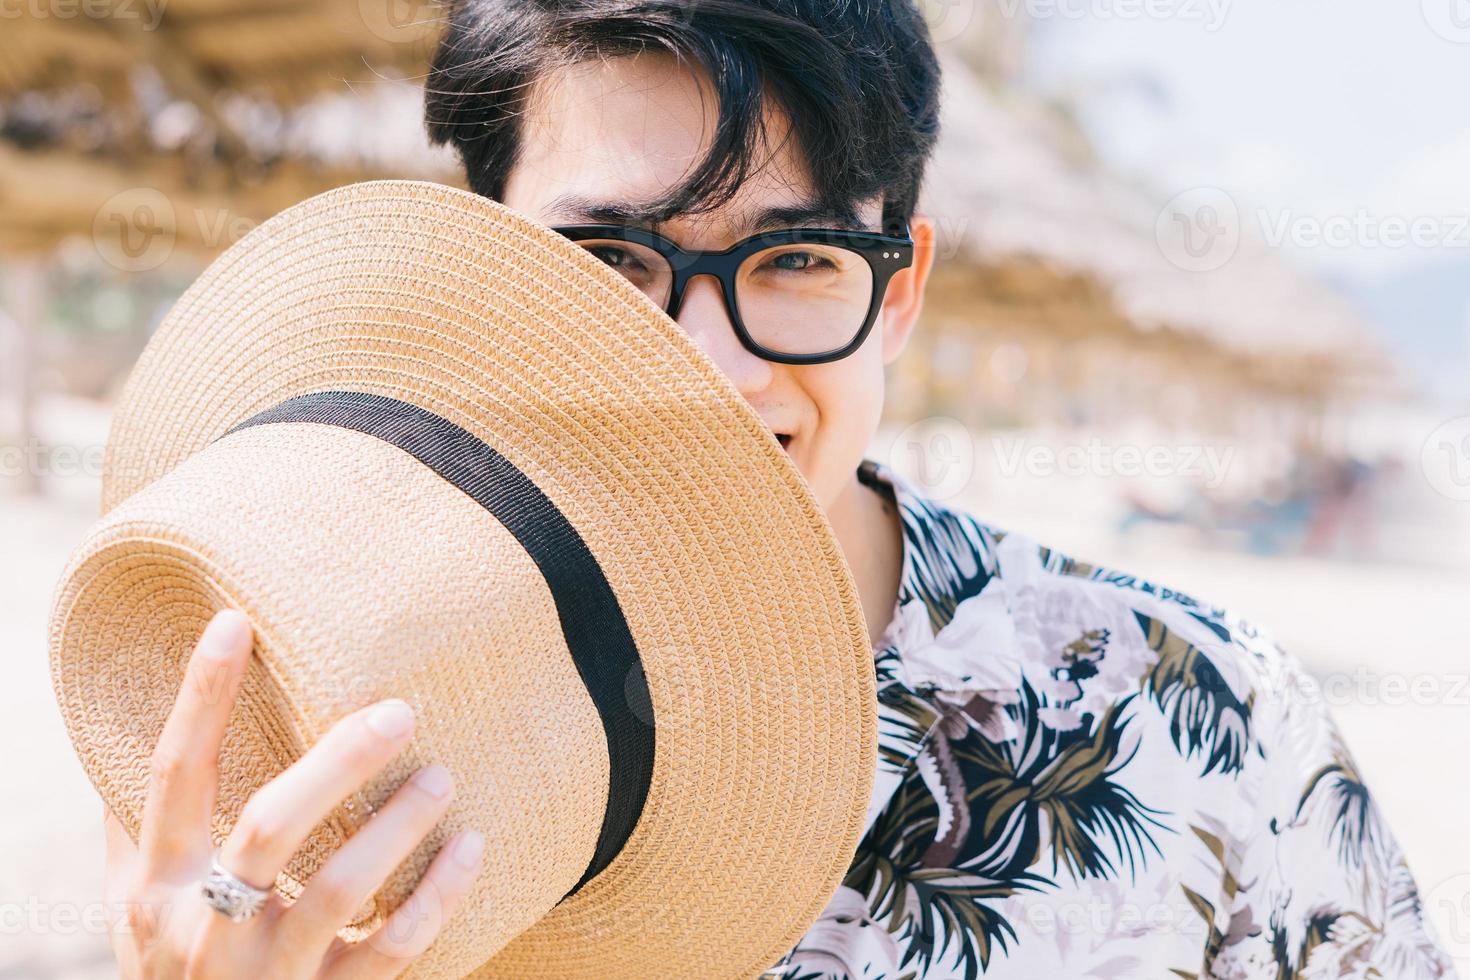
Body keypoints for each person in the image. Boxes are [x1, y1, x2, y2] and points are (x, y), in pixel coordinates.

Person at [102, 1, 1457, 977]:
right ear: (482, 276)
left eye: (795, 260)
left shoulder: (1199, 722)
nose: (701, 373)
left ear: (900, 292)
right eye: (607, 265)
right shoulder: (317, 728)